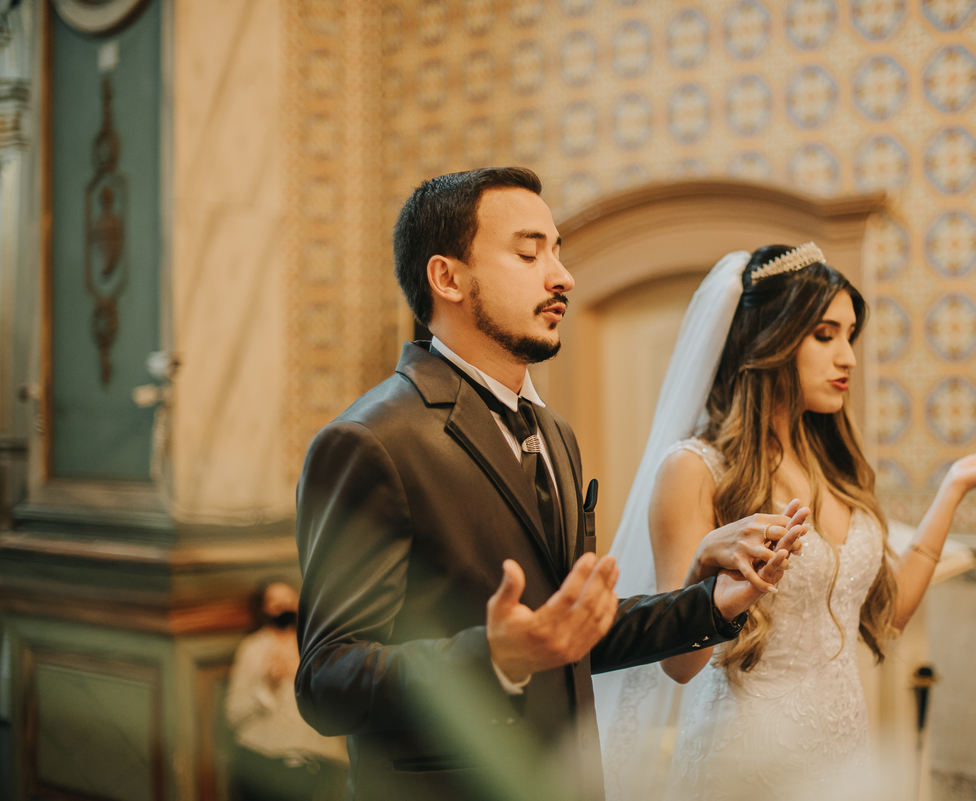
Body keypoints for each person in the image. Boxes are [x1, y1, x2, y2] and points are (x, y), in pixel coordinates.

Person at [292, 168, 808, 801]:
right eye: (529, 252)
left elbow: (568, 631)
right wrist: (495, 658)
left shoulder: (554, 431)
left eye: (558, 252)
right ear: (446, 277)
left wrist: (709, 603)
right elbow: (326, 680)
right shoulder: (370, 441)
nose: (562, 276)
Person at [595, 245, 976, 800]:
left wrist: (952, 490)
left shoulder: (832, 464)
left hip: (844, 747)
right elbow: (680, 667)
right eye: (825, 335)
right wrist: (704, 562)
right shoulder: (694, 469)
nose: (847, 357)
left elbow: (887, 613)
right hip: (746, 759)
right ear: (770, 339)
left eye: (850, 336)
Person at [226, 581, 348, 801]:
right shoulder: (252, 649)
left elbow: (338, 705)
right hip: (261, 752)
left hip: (310, 757)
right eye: (275, 602)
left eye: (289, 600)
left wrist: (308, 679)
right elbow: (234, 714)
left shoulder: (316, 647)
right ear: (264, 609)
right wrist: (268, 686)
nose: (284, 606)